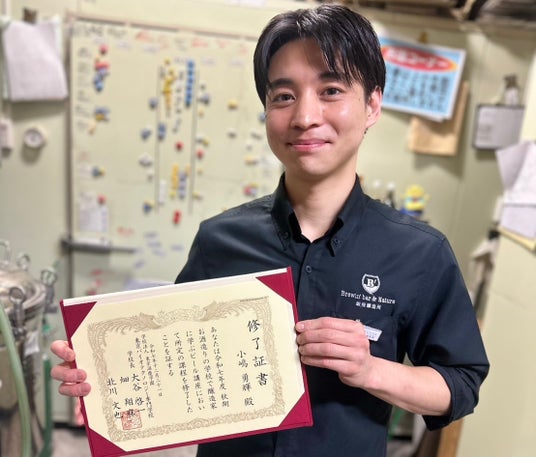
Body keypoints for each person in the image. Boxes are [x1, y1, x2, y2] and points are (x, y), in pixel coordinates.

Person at [50, 4, 489, 457]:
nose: (304, 116)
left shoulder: (419, 253)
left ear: (372, 104)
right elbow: (174, 365)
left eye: (331, 90)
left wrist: (370, 370)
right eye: (283, 96)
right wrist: (105, 376)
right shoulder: (221, 240)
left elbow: (460, 384)